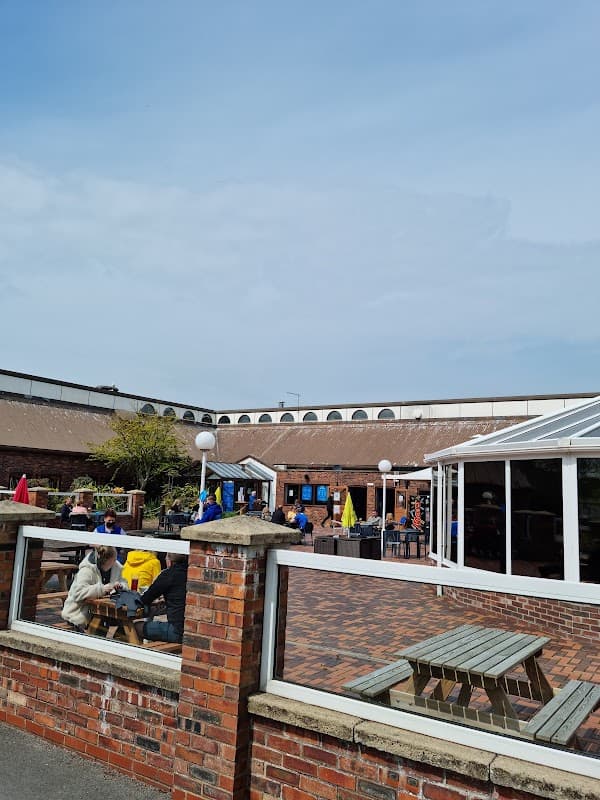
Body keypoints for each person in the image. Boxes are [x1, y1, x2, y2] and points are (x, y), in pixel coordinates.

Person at [61, 545, 126, 632]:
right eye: (113, 560)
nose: (116, 561)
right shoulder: (87, 570)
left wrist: (121, 586)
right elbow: (78, 593)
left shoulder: (116, 567)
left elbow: (125, 583)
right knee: (99, 626)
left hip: (105, 611)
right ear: (105, 561)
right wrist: (102, 589)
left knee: (124, 623)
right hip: (80, 614)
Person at [136, 552, 188, 643]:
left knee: (136, 627)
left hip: (177, 631)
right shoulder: (191, 573)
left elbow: (145, 599)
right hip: (191, 630)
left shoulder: (168, 575)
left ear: (170, 561)